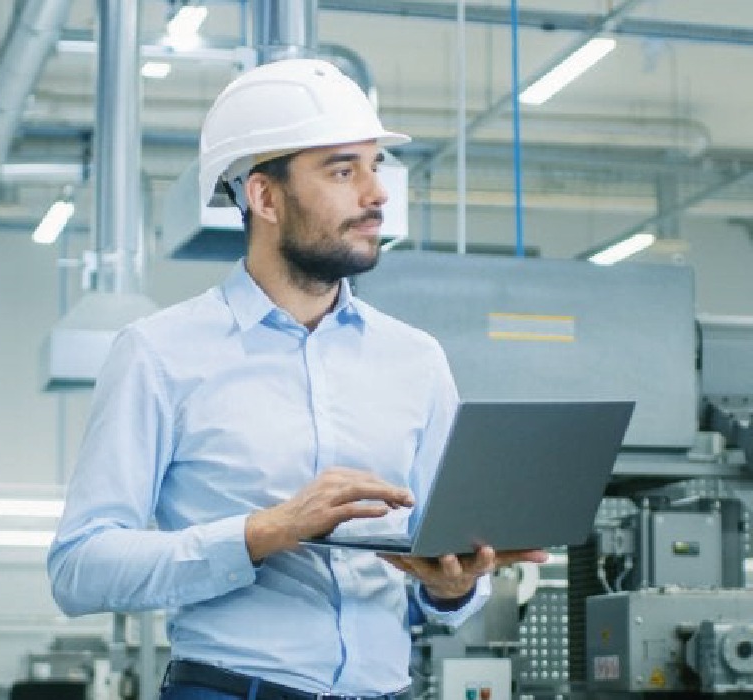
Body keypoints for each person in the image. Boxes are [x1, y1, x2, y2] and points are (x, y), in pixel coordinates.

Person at [48, 58, 547, 700]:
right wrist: (262, 534)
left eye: (375, 166)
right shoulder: (159, 353)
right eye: (343, 170)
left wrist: (451, 587)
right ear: (264, 197)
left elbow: (438, 568)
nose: (376, 195)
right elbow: (78, 569)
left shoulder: (415, 360)